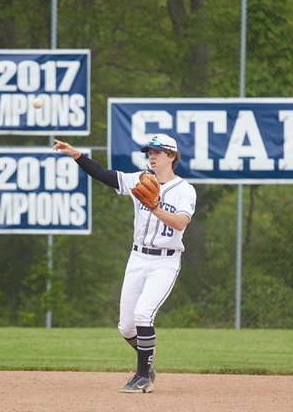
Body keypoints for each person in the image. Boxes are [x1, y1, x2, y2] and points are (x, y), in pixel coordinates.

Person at [53, 133, 196, 393]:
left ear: (172, 157)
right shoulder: (140, 180)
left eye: (157, 152)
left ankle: (143, 376)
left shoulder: (185, 190)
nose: (151, 156)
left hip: (165, 262)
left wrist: (154, 208)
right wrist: (77, 155)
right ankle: (147, 362)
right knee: (127, 327)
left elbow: (180, 223)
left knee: (143, 314)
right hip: (138, 257)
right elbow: (103, 175)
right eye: (149, 152)